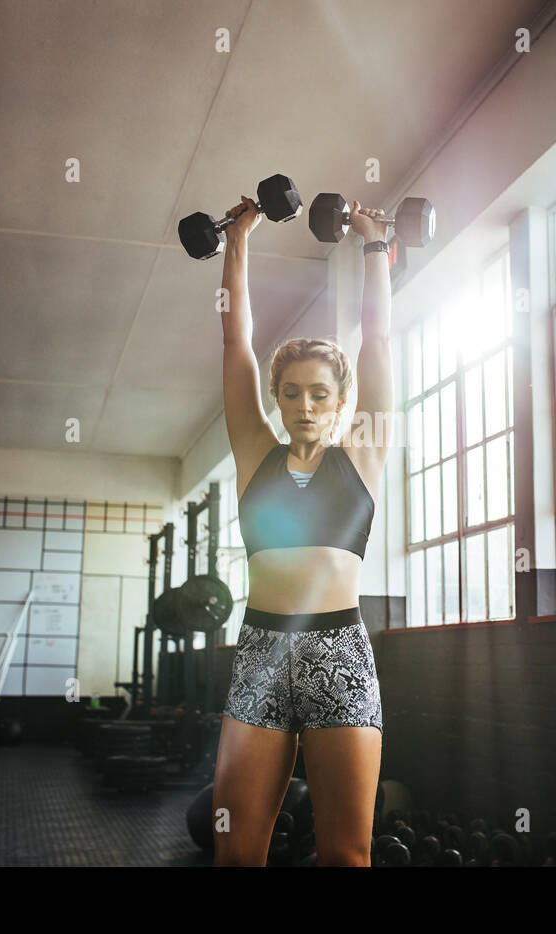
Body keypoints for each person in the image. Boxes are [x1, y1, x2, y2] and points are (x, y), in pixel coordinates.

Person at [212, 191, 394, 866]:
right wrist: (237, 241)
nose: (306, 405)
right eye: (292, 393)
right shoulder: (255, 453)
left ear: (342, 400)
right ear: (277, 399)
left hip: (338, 656)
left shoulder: (364, 454)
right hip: (259, 654)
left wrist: (374, 246)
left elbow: (377, 340)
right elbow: (235, 342)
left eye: (320, 393)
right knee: (235, 855)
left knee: (346, 856)